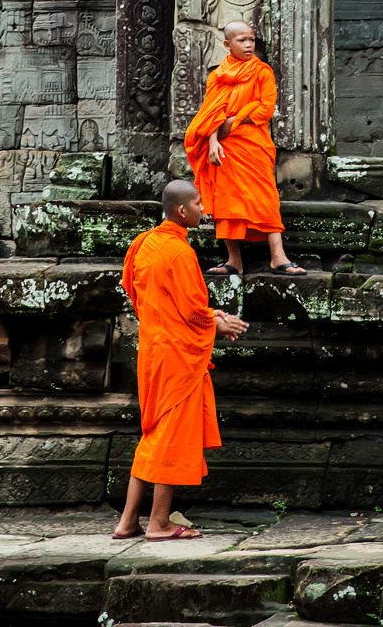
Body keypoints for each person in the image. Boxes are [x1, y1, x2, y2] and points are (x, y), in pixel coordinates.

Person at [113, 179, 250, 541]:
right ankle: (158, 523)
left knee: (154, 432)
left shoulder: (142, 244)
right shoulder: (179, 252)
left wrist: (211, 316)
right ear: (182, 211)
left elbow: (136, 289)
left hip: (153, 349)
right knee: (170, 436)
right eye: (199, 203)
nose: (204, 209)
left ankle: (128, 521)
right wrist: (216, 324)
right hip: (177, 356)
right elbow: (192, 310)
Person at [184, 20, 305, 275]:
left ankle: (278, 257)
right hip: (225, 146)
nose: (249, 45)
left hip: (254, 144)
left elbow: (265, 108)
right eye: (242, 40)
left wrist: (234, 119)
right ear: (227, 44)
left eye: (251, 39)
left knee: (265, 197)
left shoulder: (262, 72)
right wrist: (213, 141)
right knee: (226, 201)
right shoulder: (217, 76)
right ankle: (234, 260)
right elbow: (210, 113)